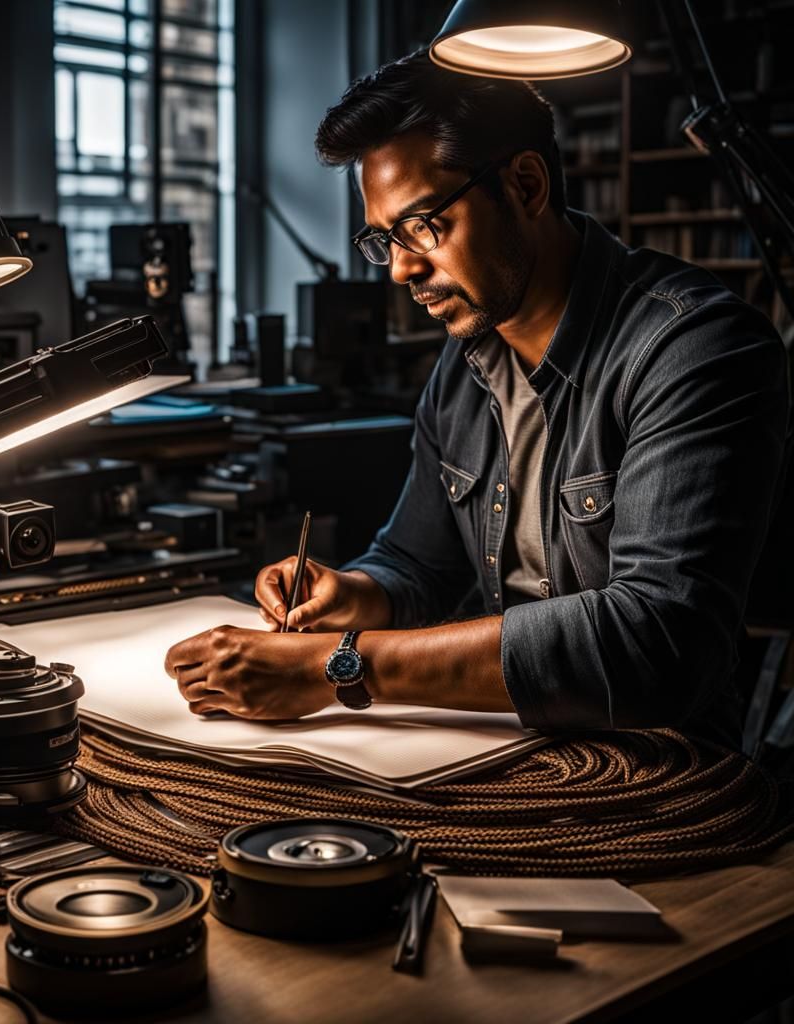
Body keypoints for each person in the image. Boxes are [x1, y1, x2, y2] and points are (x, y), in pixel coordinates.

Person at [164, 50, 789, 746]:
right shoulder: (466, 363)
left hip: (664, 769)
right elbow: (416, 565)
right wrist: (352, 595)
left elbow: (657, 644)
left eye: (424, 225)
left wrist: (337, 667)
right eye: (383, 239)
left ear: (524, 186)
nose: (401, 268)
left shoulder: (694, 349)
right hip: (500, 748)